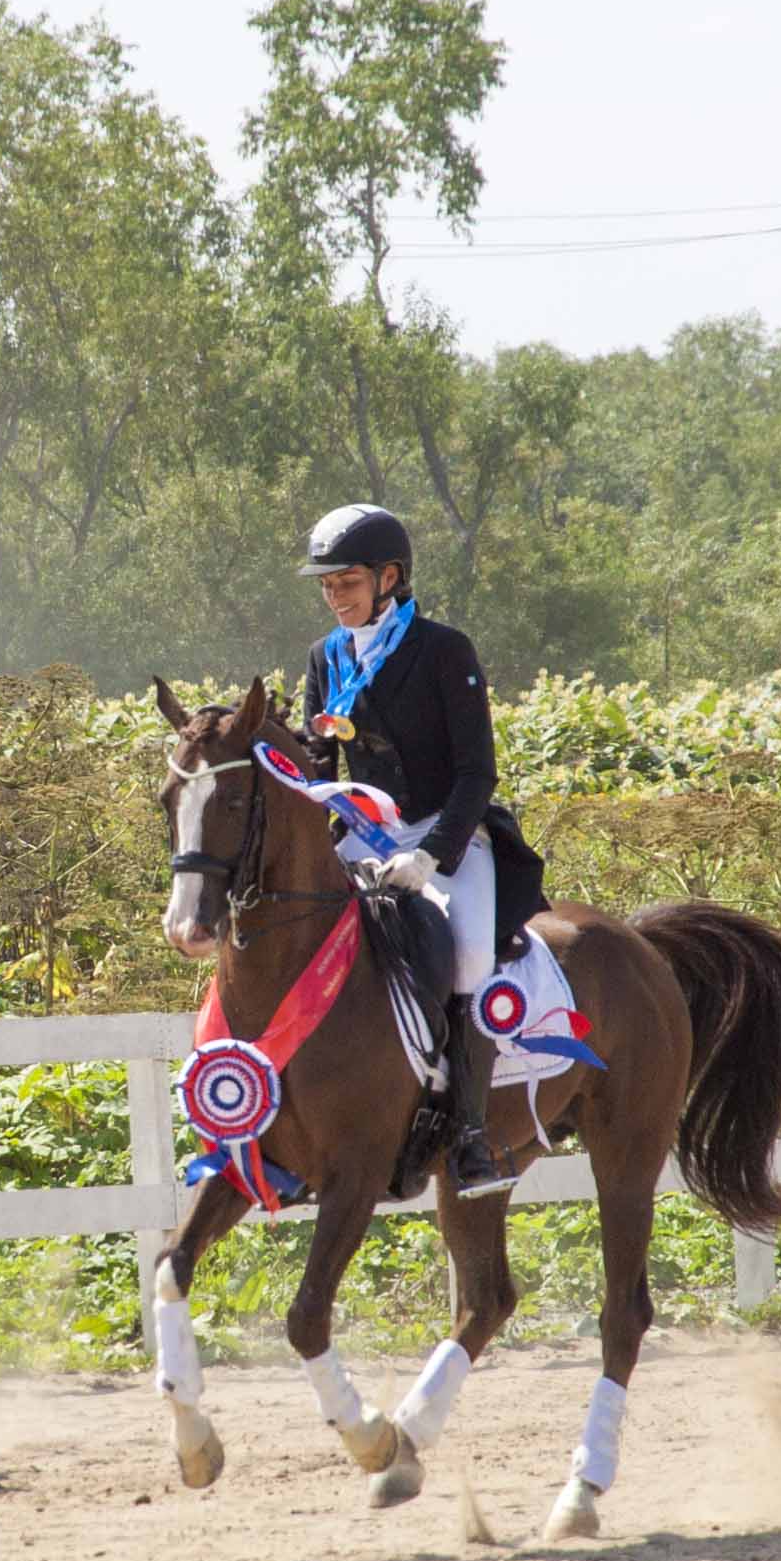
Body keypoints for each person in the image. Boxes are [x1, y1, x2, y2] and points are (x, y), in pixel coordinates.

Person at [295, 503, 548, 1198]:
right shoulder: (326, 656)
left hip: (449, 832)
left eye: (346, 583)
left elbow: (478, 772)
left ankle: (468, 1132)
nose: (334, 597)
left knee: (465, 954)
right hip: (366, 832)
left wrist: (432, 856)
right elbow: (321, 765)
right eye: (326, 586)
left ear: (390, 577)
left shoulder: (444, 650)